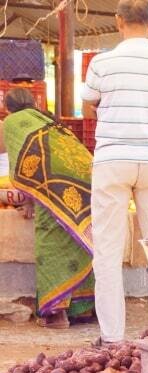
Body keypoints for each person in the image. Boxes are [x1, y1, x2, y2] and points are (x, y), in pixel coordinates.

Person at [81, 0, 148, 344]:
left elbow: (88, 102)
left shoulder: (102, 63)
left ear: (118, 21)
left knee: (107, 251)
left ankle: (112, 338)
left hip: (113, 160)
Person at [3, 88, 95, 328]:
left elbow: (21, 165)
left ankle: (56, 314)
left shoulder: (13, 121)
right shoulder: (48, 119)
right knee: (77, 241)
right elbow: (39, 159)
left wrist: (27, 199)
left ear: (7, 107)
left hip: (54, 186)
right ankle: (82, 309)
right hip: (87, 182)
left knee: (50, 240)